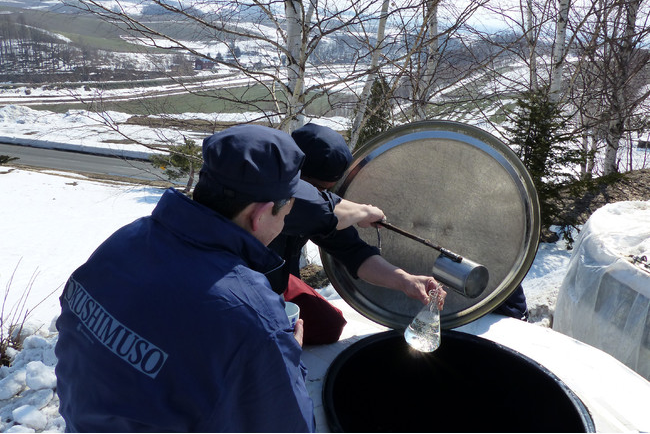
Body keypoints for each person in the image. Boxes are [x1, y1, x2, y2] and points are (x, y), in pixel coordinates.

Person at [54, 124, 315, 432]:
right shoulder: (251, 315)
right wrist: (284, 355)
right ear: (259, 215)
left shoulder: (127, 239)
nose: (283, 225)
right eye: (284, 216)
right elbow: (288, 425)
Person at [268, 123, 446, 345]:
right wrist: (363, 212)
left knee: (328, 326)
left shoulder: (324, 214)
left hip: (281, 283)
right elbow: (313, 207)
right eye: (314, 189)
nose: (320, 197)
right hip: (236, 285)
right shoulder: (260, 198)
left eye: (326, 192)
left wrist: (406, 281)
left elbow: (354, 252)